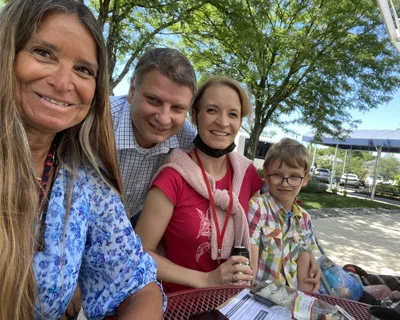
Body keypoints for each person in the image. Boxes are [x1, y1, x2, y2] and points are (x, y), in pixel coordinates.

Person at [0, 0, 164, 319]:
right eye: (44, 53)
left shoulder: (84, 181)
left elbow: (138, 285)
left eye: (83, 69)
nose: (63, 84)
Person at [135, 77, 265, 293]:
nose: (223, 122)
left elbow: (253, 229)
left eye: (233, 114)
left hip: (231, 304)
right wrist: (206, 280)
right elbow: (139, 253)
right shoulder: (172, 177)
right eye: (212, 110)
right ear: (195, 115)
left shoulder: (247, 174)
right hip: (179, 304)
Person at [111, 47, 197, 227]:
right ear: (132, 90)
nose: (164, 119)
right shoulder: (96, 120)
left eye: (177, 108)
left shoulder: (187, 140)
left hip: (134, 224)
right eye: (154, 100)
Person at [248, 138, 319, 293]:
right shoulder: (257, 208)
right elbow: (250, 269)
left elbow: (304, 275)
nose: (285, 183)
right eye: (277, 175)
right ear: (266, 175)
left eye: (294, 176)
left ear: (305, 179)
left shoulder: (305, 219)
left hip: (291, 300)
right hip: (260, 296)